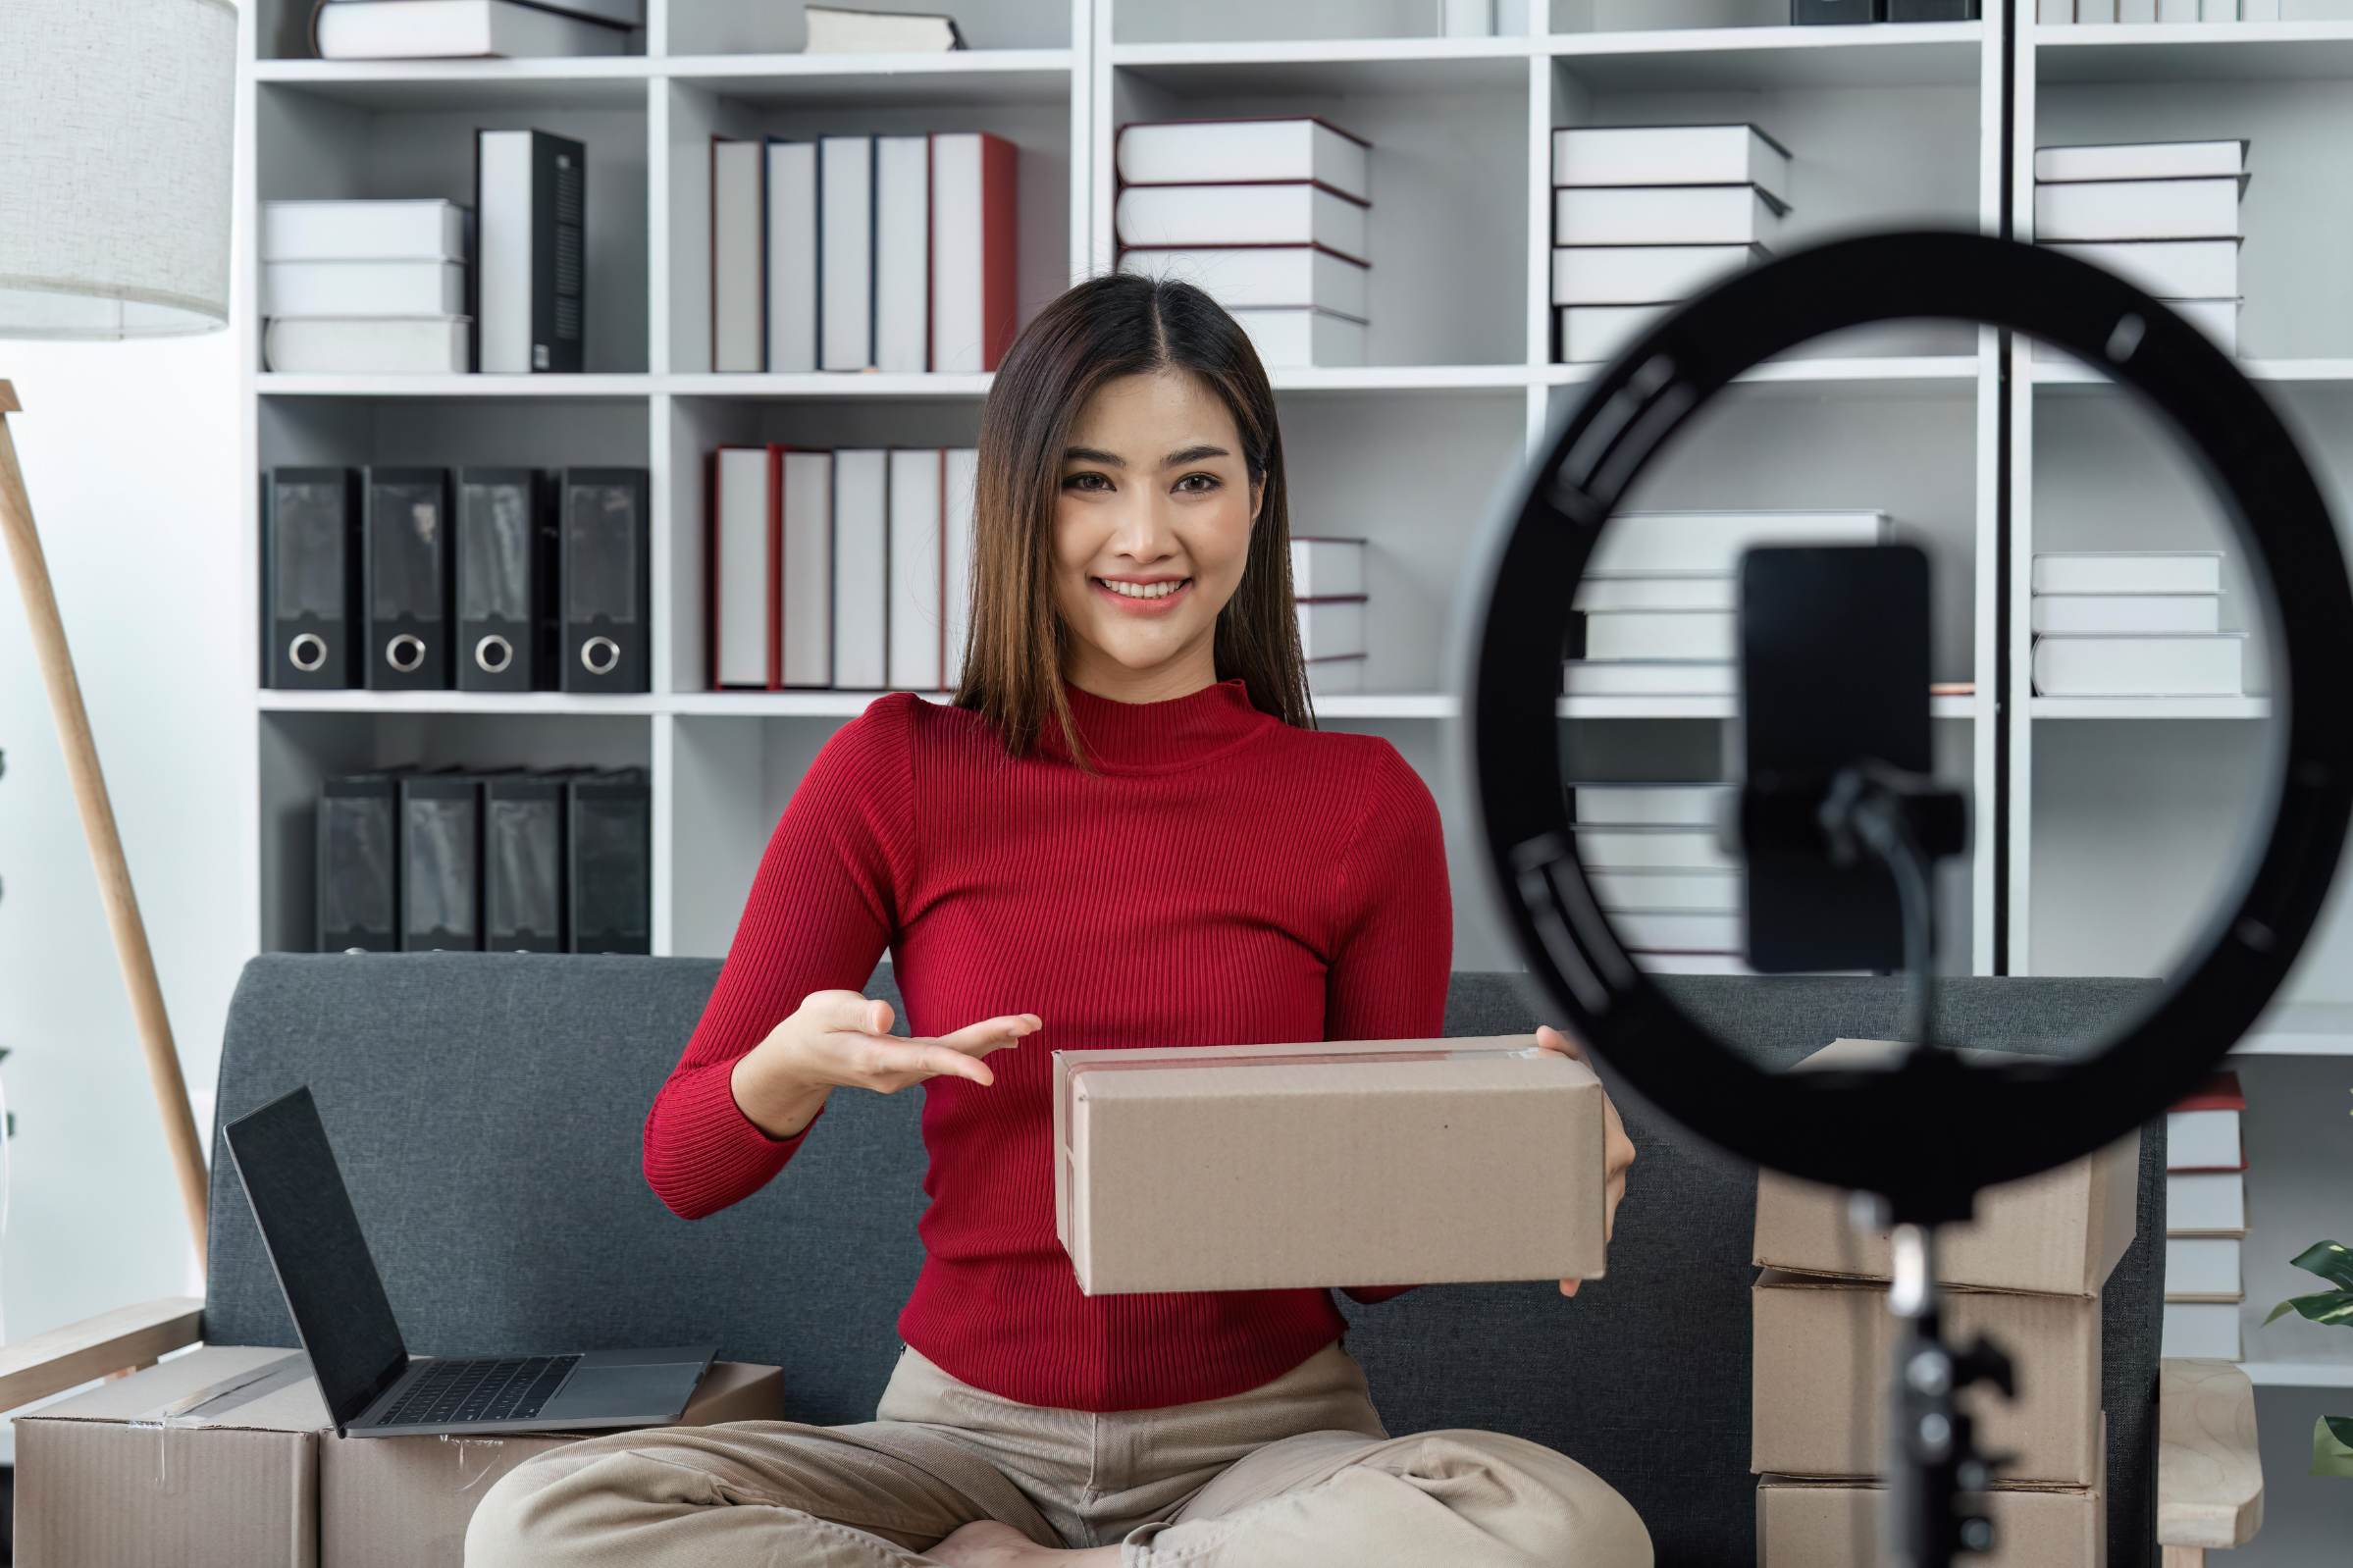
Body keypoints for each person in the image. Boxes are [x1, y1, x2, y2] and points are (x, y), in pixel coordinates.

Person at [466, 275, 1648, 1568]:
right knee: (538, 1524)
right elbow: (683, 1164)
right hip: (961, 1445)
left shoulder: (1361, 804)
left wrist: (1516, 1152)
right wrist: (790, 1065)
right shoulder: (894, 770)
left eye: (1194, 480)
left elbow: (1372, 1264)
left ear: (1258, 497)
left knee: (1568, 1532)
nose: (1145, 534)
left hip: (1264, 1455)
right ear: (1021, 498)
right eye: (1091, 481)